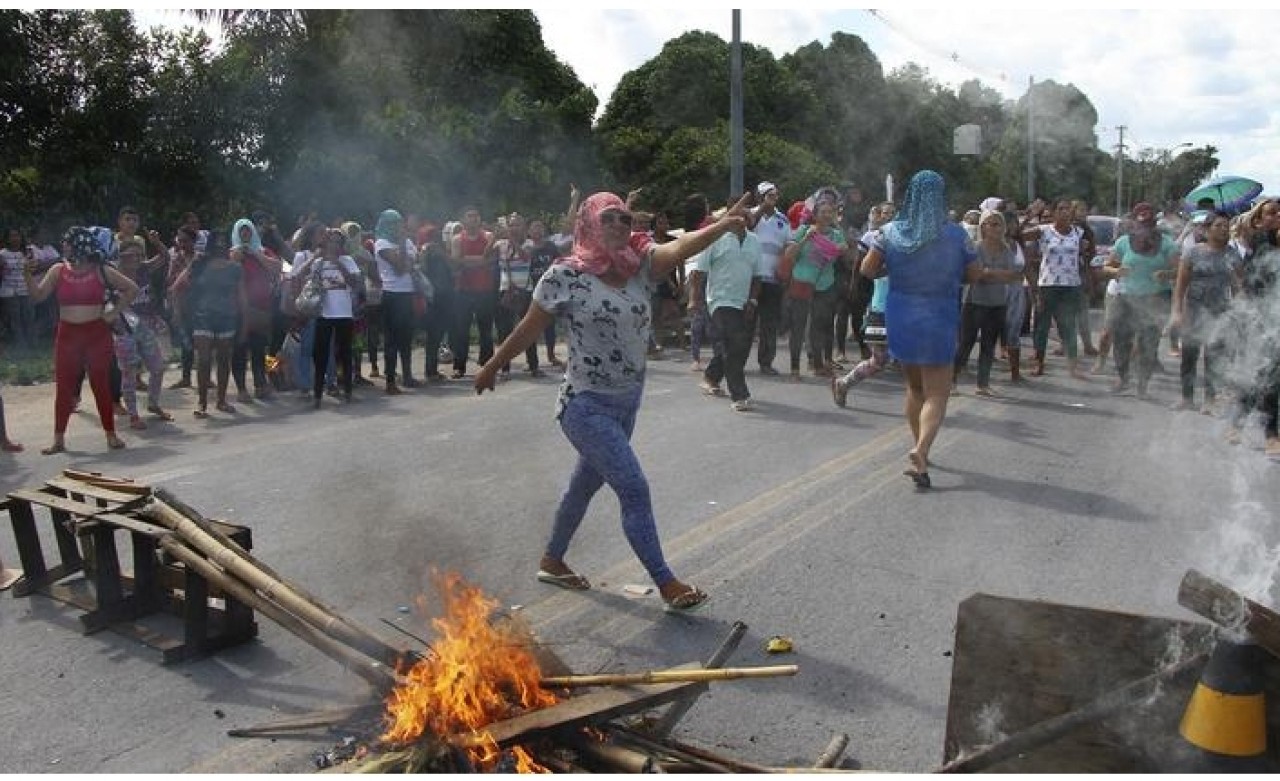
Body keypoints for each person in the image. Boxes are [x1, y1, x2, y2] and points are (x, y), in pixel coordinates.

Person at [473, 190, 752, 612]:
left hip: (627, 403)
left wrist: (722, 225)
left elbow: (679, 248)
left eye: (625, 218)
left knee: (583, 486)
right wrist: (493, 364)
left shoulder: (639, 267)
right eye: (609, 219)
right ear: (588, 224)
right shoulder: (564, 275)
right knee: (633, 488)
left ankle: (552, 560)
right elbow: (529, 329)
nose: (620, 225)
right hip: (584, 406)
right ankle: (667, 584)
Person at [859, 170, 982, 489]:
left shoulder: (890, 231)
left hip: (901, 313)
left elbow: (867, 268)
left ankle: (921, 455)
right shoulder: (956, 234)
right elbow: (975, 273)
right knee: (938, 392)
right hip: (939, 312)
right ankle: (921, 448)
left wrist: (896, 270)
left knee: (914, 389)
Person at [23, 227, 138, 453]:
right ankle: (58, 439)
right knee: (64, 387)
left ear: (79, 244)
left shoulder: (100, 270)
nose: (63, 246)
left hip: (96, 334)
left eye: (66, 242)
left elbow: (131, 289)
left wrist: (113, 313)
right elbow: (38, 295)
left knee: (100, 385)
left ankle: (110, 434)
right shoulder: (58, 270)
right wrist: (27, 275)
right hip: (67, 335)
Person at [1101, 203, 1180, 399]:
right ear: (1134, 223)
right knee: (1120, 340)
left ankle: (1143, 385)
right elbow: (1106, 266)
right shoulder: (1123, 242)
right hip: (1126, 298)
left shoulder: (1168, 243)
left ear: (1155, 224)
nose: (1144, 228)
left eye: (1149, 222)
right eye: (1140, 222)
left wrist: (1167, 273)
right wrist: (1116, 271)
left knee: (1148, 344)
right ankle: (1123, 378)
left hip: (1155, 300)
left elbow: (1180, 271)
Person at [688, 206, 762, 411]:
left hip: (743, 302)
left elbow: (757, 276)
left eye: (747, 216)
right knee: (734, 343)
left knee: (739, 347)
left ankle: (711, 377)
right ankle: (740, 395)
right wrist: (694, 299)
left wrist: (753, 301)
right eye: (738, 215)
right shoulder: (716, 238)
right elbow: (698, 272)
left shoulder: (754, 241)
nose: (743, 219)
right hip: (719, 301)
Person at [1171, 212, 1241, 413]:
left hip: (1220, 312)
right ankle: (1187, 398)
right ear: (1207, 229)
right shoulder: (1193, 253)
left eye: (1226, 226)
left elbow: (1238, 286)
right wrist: (1177, 311)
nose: (1223, 229)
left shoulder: (1232, 254)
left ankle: (1210, 400)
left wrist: (1239, 311)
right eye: (1218, 226)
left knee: (1213, 357)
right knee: (1189, 356)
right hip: (1194, 310)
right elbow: (1181, 284)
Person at [171, 231, 245, 418]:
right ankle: (202, 402)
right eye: (217, 244)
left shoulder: (235, 268)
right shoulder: (198, 263)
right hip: (202, 317)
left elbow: (243, 298)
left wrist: (245, 322)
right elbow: (177, 287)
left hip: (226, 318)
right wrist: (178, 312)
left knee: (222, 360)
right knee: (204, 360)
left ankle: (220, 400)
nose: (219, 248)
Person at [780, 188, 851, 381]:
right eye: (823, 212)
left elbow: (847, 256)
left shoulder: (836, 235)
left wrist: (844, 250)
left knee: (819, 327)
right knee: (798, 327)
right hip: (802, 283)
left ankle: (818, 364)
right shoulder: (803, 230)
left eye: (831, 212)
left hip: (825, 285)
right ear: (815, 214)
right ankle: (795, 368)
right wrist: (805, 238)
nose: (827, 215)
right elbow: (789, 255)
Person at [953, 210, 1025, 396]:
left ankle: (982, 384)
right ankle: (950, 381)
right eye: (988, 224)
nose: (992, 228)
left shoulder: (1007, 250)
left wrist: (990, 272)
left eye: (996, 224)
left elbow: (1012, 276)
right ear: (982, 226)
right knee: (965, 343)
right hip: (975, 301)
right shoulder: (975, 248)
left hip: (997, 302)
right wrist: (995, 274)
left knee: (988, 345)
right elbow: (977, 275)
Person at [293, 228, 361, 407]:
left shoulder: (348, 261)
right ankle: (317, 395)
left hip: (344, 314)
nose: (334, 245)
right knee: (320, 354)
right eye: (331, 241)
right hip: (324, 314)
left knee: (345, 353)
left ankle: (347, 391)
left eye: (338, 242)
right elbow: (297, 274)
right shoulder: (319, 263)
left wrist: (338, 264)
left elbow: (354, 283)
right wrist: (314, 258)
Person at [1024, 199, 1090, 380]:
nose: (1065, 212)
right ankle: (1039, 364)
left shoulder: (1078, 232)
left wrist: (1087, 282)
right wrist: (1029, 216)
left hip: (1071, 286)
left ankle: (1073, 367)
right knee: (1041, 326)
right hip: (1048, 285)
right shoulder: (1044, 231)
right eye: (1060, 209)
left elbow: (1085, 259)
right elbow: (1018, 236)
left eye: (1068, 209)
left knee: (1068, 326)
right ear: (1053, 213)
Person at [230, 218, 282, 401]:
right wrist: (238, 256)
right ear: (237, 233)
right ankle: (242, 389)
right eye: (242, 231)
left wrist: (255, 253)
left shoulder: (263, 251)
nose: (245, 234)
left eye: (248, 231)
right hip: (239, 310)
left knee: (260, 349)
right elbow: (227, 272)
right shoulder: (232, 253)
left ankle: (261, 384)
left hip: (262, 309)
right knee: (239, 350)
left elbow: (277, 268)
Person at [448, 206, 496, 380]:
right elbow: (455, 262)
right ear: (463, 220)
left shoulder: (489, 236)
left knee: (486, 329)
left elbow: (491, 260)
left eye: (476, 216)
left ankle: (488, 364)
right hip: (463, 290)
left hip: (485, 289)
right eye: (470, 216)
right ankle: (459, 366)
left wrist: (467, 260)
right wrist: (480, 260)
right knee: (461, 329)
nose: (473, 219)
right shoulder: (457, 239)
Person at [374, 209, 418, 393]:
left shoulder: (407, 242)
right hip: (392, 294)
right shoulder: (381, 243)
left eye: (400, 222)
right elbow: (401, 267)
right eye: (395, 223)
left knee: (406, 337)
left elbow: (414, 263)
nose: (400, 226)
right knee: (391, 339)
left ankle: (407, 376)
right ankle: (390, 381)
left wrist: (405, 257)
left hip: (407, 293)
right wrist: (402, 244)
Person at [750, 182, 791, 375]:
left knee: (769, 324)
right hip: (751, 278)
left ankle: (766, 362)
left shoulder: (783, 219)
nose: (774, 198)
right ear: (760, 197)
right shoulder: (750, 214)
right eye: (769, 195)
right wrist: (760, 210)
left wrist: (784, 272)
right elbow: (748, 227)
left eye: (775, 195)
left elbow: (787, 246)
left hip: (773, 280)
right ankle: (738, 360)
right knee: (747, 321)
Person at [0, 227, 35, 351]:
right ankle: (21, 347)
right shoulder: (2, 254)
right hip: (9, 292)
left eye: (17, 235)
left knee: (28, 318)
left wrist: (31, 263)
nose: (15, 238)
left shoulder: (27, 252)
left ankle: (31, 344)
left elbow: (33, 269)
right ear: (7, 239)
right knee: (15, 321)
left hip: (25, 289)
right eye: (12, 236)